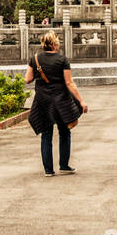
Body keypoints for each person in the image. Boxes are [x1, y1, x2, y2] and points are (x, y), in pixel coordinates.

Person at [25, 31, 88, 176]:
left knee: (46, 135)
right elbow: (69, 82)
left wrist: (38, 71)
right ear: (54, 44)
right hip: (61, 101)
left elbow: (27, 79)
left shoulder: (34, 58)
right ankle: (64, 166)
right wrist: (81, 101)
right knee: (64, 132)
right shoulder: (62, 59)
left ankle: (48, 170)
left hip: (43, 101)